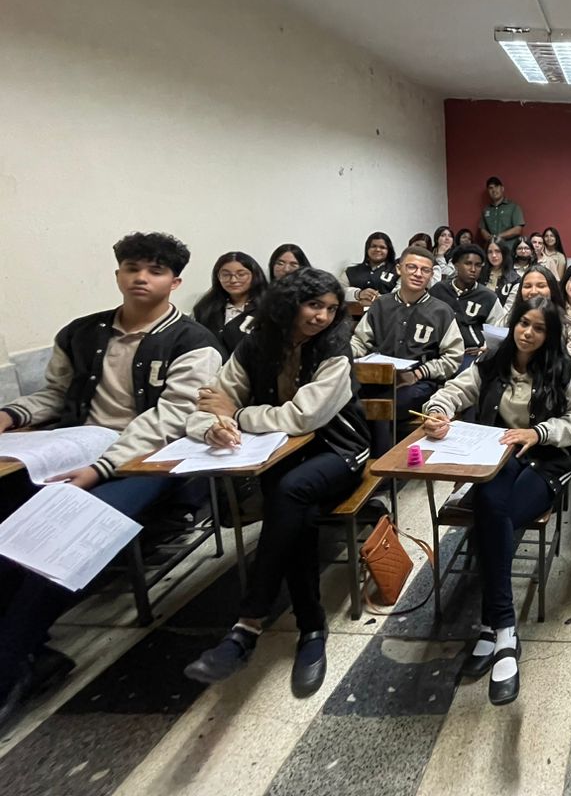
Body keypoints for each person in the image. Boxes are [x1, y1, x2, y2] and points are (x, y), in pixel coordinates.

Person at [0, 233, 222, 730]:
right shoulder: (82, 332)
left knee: (58, 543)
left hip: (149, 459)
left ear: (175, 281)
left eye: (154, 271)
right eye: (132, 268)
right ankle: (33, 652)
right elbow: (53, 396)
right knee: (8, 532)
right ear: (118, 273)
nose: (141, 278)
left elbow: (169, 418)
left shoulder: (192, 342)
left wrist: (102, 468)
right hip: (76, 445)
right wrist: (11, 415)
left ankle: (10, 665)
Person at [183, 269, 370, 697]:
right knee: (293, 506)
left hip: (340, 450)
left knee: (288, 492)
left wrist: (240, 414)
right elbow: (211, 399)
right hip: (280, 455)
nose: (322, 316)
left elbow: (304, 417)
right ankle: (310, 629)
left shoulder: (334, 350)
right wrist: (214, 425)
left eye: (330, 309)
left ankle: (248, 624)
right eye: (313, 305)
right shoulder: (257, 344)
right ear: (289, 304)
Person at [423, 296, 571, 704]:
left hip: (546, 461)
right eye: (522, 324)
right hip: (497, 454)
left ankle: (490, 627)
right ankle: (504, 630)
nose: (527, 333)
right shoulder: (492, 362)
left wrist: (540, 432)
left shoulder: (563, 372)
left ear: (548, 335)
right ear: (512, 324)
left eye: (537, 328)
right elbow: (454, 390)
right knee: (490, 507)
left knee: (492, 516)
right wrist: (436, 411)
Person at [351, 246, 464, 449]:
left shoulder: (441, 311)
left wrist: (419, 373)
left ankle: (382, 468)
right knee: (349, 395)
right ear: (399, 269)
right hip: (378, 377)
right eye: (411, 267)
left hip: (418, 382)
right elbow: (359, 342)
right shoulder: (380, 305)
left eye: (425, 270)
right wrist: (348, 358)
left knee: (387, 403)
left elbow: (453, 357)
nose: (418, 274)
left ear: (431, 275)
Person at [430, 244, 506, 371]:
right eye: (468, 263)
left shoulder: (488, 297)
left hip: (469, 354)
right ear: (456, 264)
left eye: (478, 265)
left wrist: (484, 347)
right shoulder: (438, 290)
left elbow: (498, 330)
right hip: (438, 350)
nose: (473, 269)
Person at [192, 251, 267, 355]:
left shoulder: (266, 308)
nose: (233, 280)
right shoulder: (206, 308)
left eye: (241, 274)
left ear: (254, 275)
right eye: (226, 275)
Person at [340, 232, 397, 303]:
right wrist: (358, 294)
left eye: (382, 247)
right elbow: (338, 292)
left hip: (387, 312)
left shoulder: (397, 271)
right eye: (373, 246)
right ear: (367, 249)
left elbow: (401, 294)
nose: (377, 249)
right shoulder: (351, 271)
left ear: (389, 251)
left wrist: (380, 298)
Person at [479, 176, 525, 251]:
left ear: (502, 188)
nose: (494, 190)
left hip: (509, 249)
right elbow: (482, 229)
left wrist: (498, 236)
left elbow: (518, 229)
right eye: (490, 188)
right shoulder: (486, 210)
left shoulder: (513, 207)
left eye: (496, 187)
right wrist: (490, 238)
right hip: (492, 250)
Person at [481, 240, 520, 306]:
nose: (493, 255)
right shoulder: (480, 274)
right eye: (490, 252)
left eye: (497, 251)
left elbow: (509, 308)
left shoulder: (514, 279)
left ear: (504, 253)